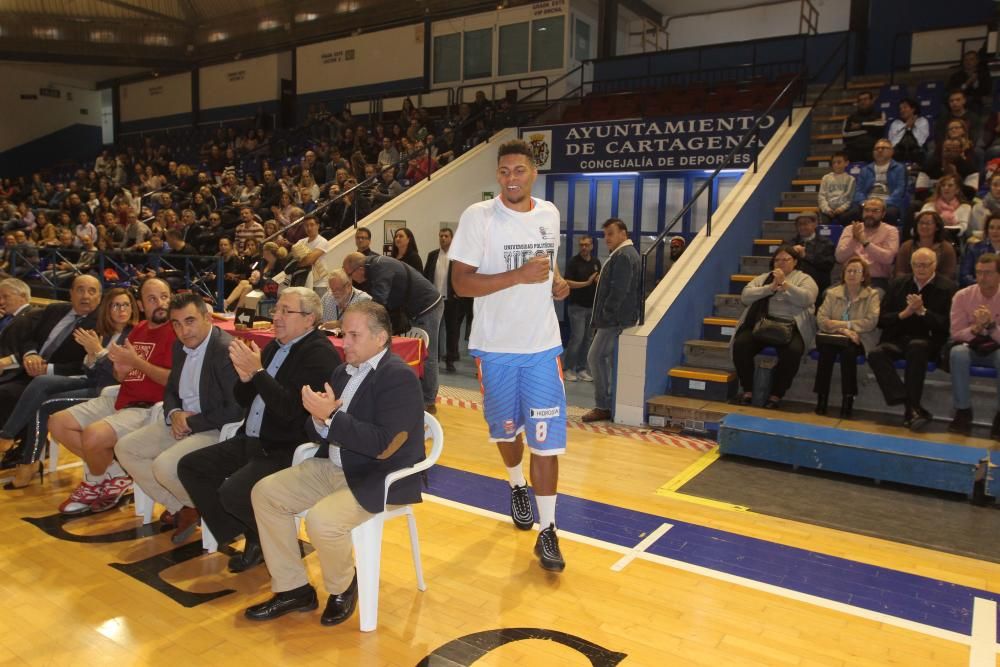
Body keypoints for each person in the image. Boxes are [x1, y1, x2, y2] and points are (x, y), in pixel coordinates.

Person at [243, 302, 425, 626]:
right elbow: (316, 431)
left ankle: (343, 587)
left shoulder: (399, 377)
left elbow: (383, 447)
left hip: (377, 477)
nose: (345, 342)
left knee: (322, 521)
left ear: (381, 337)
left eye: (354, 335)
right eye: (344, 334)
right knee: (265, 493)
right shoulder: (343, 372)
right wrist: (318, 416)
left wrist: (330, 416)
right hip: (333, 466)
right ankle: (293, 588)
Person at [449, 139, 570, 572]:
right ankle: (516, 484)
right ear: (498, 175)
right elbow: (461, 284)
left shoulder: (549, 213)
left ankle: (548, 531)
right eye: (504, 172)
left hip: (541, 347)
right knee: (506, 433)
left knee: (546, 442)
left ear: (534, 172)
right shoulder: (478, 217)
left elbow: (548, 263)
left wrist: (558, 281)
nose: (511, 178)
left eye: (519, 170)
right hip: (495, 348)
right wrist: (519, 275)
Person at [176, 288, 340, 573]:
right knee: (191, 467)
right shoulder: (277, 346)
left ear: (309, 319)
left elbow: (290, 410)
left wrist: (259, 374)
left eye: (284, 311)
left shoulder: (319, 354)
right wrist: (246, 379)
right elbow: (245, 399)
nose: (275, 317)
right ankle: (257, 536)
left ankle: (268, 539)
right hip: (252, 438)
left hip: (285, 447)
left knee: (233, 492)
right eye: (276, 310)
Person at [114, 293, 243, 543]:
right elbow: (171, 389)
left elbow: (235, 410)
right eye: (176, 323)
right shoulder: (179, 347)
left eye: (190, 321)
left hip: (214, 427)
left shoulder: (224, 350)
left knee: (164, 467)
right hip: (181, 421)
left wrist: (190, 422)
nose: (184, 330)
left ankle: (209, 510)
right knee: (126, 448)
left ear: (208, 318)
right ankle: (186, 506)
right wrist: (174, 414)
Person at [48, 278, 175, 514]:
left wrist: (137, 362)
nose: (160, 303)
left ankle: (94, 481)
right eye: (152, 299)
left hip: (149, 407)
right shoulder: (138, 329)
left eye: (164, 297)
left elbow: (172, 380)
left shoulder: (176, 332)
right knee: (58, 423)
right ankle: (115, 474)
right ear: (141, 304)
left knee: (94, 436)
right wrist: (120, 369)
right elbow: (121, 374)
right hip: (120, 396)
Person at [0, 288, 136, 488]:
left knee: (44, 405)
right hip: (93, 381)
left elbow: (119, 377)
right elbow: (90, 371)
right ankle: (10, 438)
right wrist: (91, 357)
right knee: (41, 382)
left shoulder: (134, 334)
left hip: (109, 391)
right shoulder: (105, 333)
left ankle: (26, 460)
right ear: (107, 309)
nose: (121, 310)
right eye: (115, 305)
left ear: (133, 308)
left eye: (125, 305)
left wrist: (97, 352)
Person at [0, 274, 101, 439]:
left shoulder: (101, 324)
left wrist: (47, 369)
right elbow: (30, 338)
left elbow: (85, 365)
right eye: (80, 290)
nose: (85, 296)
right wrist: (30, 354)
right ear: (71, 293)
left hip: (61, 378)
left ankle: (16, 445)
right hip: (27, 369)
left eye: (92, 291)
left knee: (7, 394)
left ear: (99, 296)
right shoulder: (55, 309)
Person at [342, 252, 443, 413]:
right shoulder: (374, 267)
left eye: (349, 274)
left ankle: (429, 401)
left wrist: (362, 322)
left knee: (426, 354)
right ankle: (409, 394)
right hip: (415, 308)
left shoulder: (380, 267)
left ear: (359, 268)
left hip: (428, 305)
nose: (351, 279)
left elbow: (379, 303)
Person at [867, 248, 956, 430]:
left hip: (929, 341)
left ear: (935, 265)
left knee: (917, 347)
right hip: (898, 338)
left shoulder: (948, 288)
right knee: (876, 353)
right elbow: (882, 319)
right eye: (916, 265)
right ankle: (911, 405)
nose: (920, 269)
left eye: (925, 265)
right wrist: (904, 314)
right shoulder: (898, 283)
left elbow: (947, 325)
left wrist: (924, 312)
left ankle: (910, 408)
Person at [582, 219, 640, 422]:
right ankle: (609, 403)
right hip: (617, 320)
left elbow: (618, 291)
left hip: (614, 321)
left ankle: (603, 405)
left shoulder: (623, 256)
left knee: (594, 357)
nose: (606, 238)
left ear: (623, 234)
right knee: (607, 360)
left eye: (611, 233)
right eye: (605, 234)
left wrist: (604, 317)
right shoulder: (626, 254)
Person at [813, 257, 880, 418]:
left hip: (859, 338)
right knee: (826, 351)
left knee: (848, 352)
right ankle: (821, 399)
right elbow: (821, 319)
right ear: (843, 274)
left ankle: (848, 400)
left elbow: (870, 322)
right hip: (833, 336)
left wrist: (845, 326)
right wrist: (844, 330)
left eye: (856, 271)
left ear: (863, 276)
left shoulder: (872, 295)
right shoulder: (832, 293)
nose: (851, 274)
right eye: (849, 271)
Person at [947, 253, 1000, 437]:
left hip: (996, 349)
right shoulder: (962, 296)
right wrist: (976, 328)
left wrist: (991, 326)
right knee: (957, 353)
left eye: (988, 273)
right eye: (979, 273)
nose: (983, 278)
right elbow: (956, 333)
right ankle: (963, 411)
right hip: (972, 346)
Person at [423, 227, 467, 373]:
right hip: (435, 301)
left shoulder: (457, 257)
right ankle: (433, 359)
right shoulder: (432, 255)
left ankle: (450, 360)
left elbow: (462, 276)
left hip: (452, 301)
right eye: (441, 236)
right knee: (433, 331)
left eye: (446, 236)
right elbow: (426, 276)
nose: (443, 238)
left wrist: (458, 293)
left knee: (452, 331)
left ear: (451, 238)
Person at [834, 198, 900, 292]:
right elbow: (839, 257)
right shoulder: (850, 229)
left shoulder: (891, 231)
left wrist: (865, 242)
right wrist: (854, 239)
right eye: (867, 210)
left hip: (876, 280)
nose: (870, 214)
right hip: (850, 278)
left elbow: (888, 258)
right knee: (828, 294)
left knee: (877, 296)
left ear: (883, 214)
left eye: (875, 211)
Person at [561, 235, 601, 382]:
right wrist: (586, 283)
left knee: (588, 339)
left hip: (591, 307)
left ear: (592, 246)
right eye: (581, 245)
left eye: (586, 245)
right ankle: (568, 369)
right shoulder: (574, 262)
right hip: (577, 307)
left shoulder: (596, 263)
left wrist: (597, 281)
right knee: (577, 338)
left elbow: (598, 281)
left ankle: (581, 368)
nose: (584, 248)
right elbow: (567, 282)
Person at [846, 139, 907, 224]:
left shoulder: (899, 168)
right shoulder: (865, 170)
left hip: (888, 204)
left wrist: (883, 204)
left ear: (892, 151)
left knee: (890, 214)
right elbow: (858, 191)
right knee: (849, 215)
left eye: (884, 148)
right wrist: (864, 203)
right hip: (867, 202)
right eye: (876, 148)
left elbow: (899, 190)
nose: (879, 150)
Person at [895, 211, 958, 282]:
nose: (924, 226)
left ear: (937, 227)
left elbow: (948, 274)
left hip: (938, 287)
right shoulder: (907, 246)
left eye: (928, 223)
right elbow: (900, 272)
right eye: (921, 223)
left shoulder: (946, 248)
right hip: (909, 285)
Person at [786, 212, 835, 296]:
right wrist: (791, 253)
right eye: (799, 224)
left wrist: (806, 256)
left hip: (818, 286)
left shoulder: (826, 243)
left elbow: (828, 265)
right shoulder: (789, 244)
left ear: (815, 224)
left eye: (806, 223)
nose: (802, 227)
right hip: (794, 285)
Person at [918, 174, 971, 240]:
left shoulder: (965, 207)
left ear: (957, 190)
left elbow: (963, 228)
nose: (946, 188)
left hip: (953, 240)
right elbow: (918, 224)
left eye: (950, 185)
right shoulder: (929, 206)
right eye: (943, 185)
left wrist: (941, 230)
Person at [842, 91, 886, 162]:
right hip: (854, 150)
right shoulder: (851, 117)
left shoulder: (879, 114)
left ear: (872, 100)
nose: (862, 102)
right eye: (860, 100)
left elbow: (881, 127)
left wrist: (861, 125)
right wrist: (868, 129)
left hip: (873, 149)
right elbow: (845, 135)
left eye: (865, 99)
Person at [817, 152, 856, 226]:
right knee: (824, 225)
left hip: (843, 210)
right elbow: (821, 196)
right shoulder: (826, 178)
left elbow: (850, 199)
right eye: (833, 163)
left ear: (846, 163)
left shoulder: (851, 179)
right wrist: (827, 209)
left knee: (847, 218)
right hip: (828, 209)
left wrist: (842, 208)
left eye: (839, 162)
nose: (836, 165)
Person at [961, 215, 1000, 287]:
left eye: (999, 228)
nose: (995, 231)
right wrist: (982, 284)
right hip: (979, 289)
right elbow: (965, 276)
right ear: (987, 230)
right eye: (991, 227)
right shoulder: (974, 248)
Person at [887, 98, 930, 164]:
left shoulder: (922, 121)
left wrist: (911, 127)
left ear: (913, 109)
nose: (902, 111)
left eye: (905, 107)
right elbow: (892, 141)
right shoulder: (895, 123)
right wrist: (906, 127)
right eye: (900, 109)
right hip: (898, 150)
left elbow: (922, 140)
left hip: (916, 149)